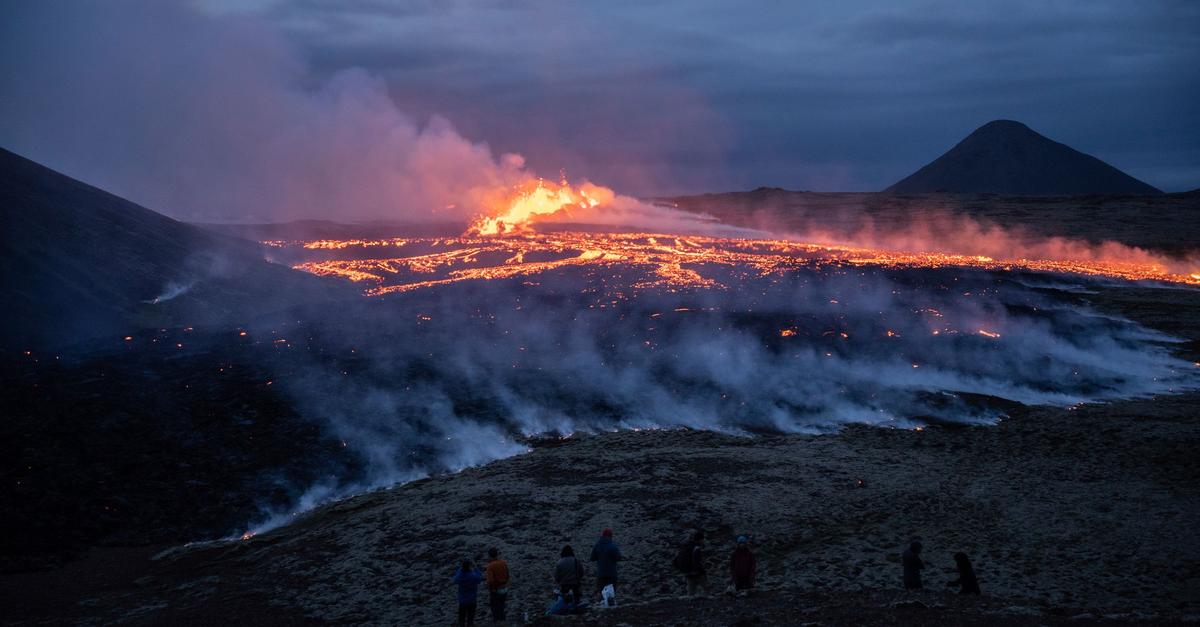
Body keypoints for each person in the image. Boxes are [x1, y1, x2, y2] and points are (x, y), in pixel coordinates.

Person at [589, 528, 623, 598]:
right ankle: (610, 606)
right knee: (611, 593)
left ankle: (602, 605)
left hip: (601, 574)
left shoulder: (597, 545)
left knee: (602, 592)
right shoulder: (612, 546)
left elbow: (592, 558)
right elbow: (619, 557)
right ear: (610, 536)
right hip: (611, 574)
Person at [452, 558, 485, 626]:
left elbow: (454, 580)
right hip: (472, 599)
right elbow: (481, 577)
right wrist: (475, 567)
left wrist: (460, 570)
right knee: (470, 619)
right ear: (470, 567)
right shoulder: (473, 576)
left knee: (461, 619)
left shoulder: (460, 576)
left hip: (462, 600)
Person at [674, 530, 708, 597]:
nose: (703, 540)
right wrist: (701, 571)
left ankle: (689, 604)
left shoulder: (687, 547)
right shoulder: (696, 548)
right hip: (697, 573)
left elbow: (675, 560)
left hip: (687, 572)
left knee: (691, 591)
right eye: (703, 539)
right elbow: (697, 561)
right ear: (700, 539)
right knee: (706, 588)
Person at [484, 547, 510, 623]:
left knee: (494, 607)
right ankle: (503, 620)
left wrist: (491, 588)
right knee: (501, 605)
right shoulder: (503, 563)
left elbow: (490, 581)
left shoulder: (490, 566)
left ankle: (497, 621)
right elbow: (508, 575)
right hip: (504, 588)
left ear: (489, 556)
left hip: (496, 589)